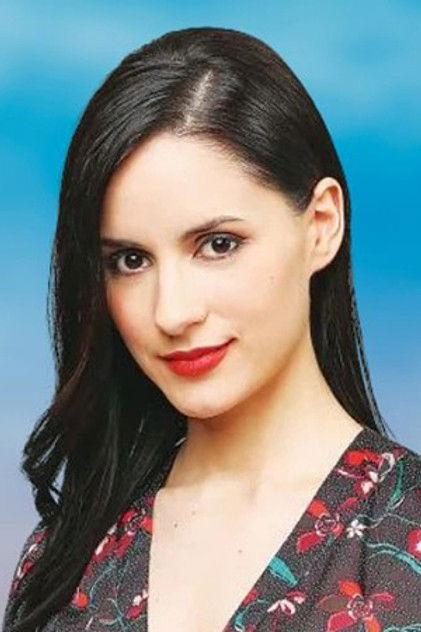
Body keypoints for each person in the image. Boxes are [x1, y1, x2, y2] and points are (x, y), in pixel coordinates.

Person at [3, 25, 421, 632]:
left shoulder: (405, 535)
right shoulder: (63, 558)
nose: (171, 313)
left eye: (218, 244)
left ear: (322, 224)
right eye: (130, 260)